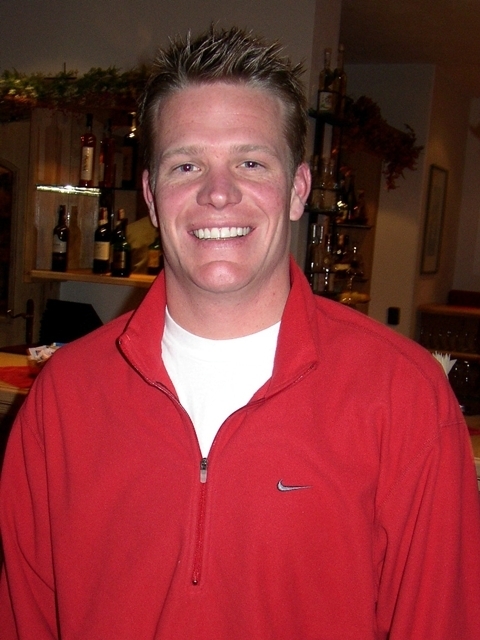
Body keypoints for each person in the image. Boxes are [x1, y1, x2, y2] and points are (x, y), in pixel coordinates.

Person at [1, 25, 480, 639]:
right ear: (151, 195)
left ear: (297, 190)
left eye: (250, 162)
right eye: (186, 165)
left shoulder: (403, 396)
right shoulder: (64, 397)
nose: (218, 193)